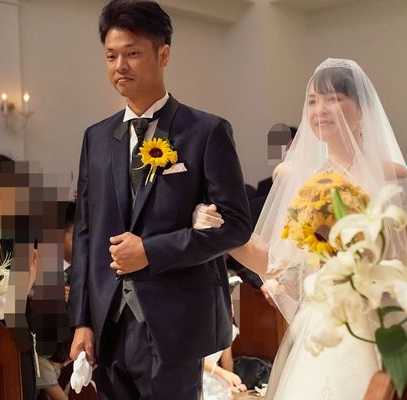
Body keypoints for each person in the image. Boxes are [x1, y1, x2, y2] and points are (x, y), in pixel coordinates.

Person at [194, 58, 407, 399]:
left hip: (387, 312)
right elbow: (270, 261)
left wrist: (369, 282)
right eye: (313, 101)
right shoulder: (295, 177)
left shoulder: (394, 175)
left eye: (333, 98)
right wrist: (219, 234)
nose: (320, 110)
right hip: (326, 321)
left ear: (363, 109)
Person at [67, 1, 252, 399]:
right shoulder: (96, 138)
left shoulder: (205, 132)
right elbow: (85, 233)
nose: (120, 66)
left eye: (132, 53)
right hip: (108, 323)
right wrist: (82, 320)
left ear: (163, 55)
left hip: (176, 325)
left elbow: (236, 226)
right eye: (111, 56)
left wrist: (151, 251)